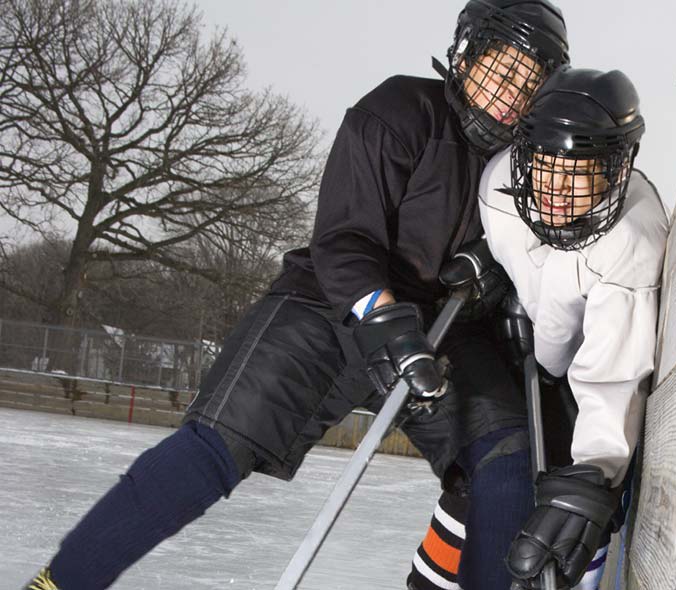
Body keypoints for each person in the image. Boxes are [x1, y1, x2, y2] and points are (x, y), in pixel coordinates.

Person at [23, 2, 568, 589]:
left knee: (506, 451)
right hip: (332, 301)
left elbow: (539, 248)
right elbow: (345, 236)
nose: (510, 92)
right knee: (217, 445)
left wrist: (496, 277)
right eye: (500, 69)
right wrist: (379, 314)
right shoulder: (399, 111)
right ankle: (62, 581)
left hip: (445, 326)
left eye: (527, 82)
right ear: (467, 54)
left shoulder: (529, 164)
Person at [408, 66, 667, 590]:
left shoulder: (628, 245)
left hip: (578, 375)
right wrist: (492, 269)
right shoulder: (500, 191)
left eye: (578, 172)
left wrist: (594, 474)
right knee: (484, 479)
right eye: (546, 166)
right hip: (520, 350)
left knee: (564, 516)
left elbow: (611, 377)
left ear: (616, 170)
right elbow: (520, 257)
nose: (554, 188)